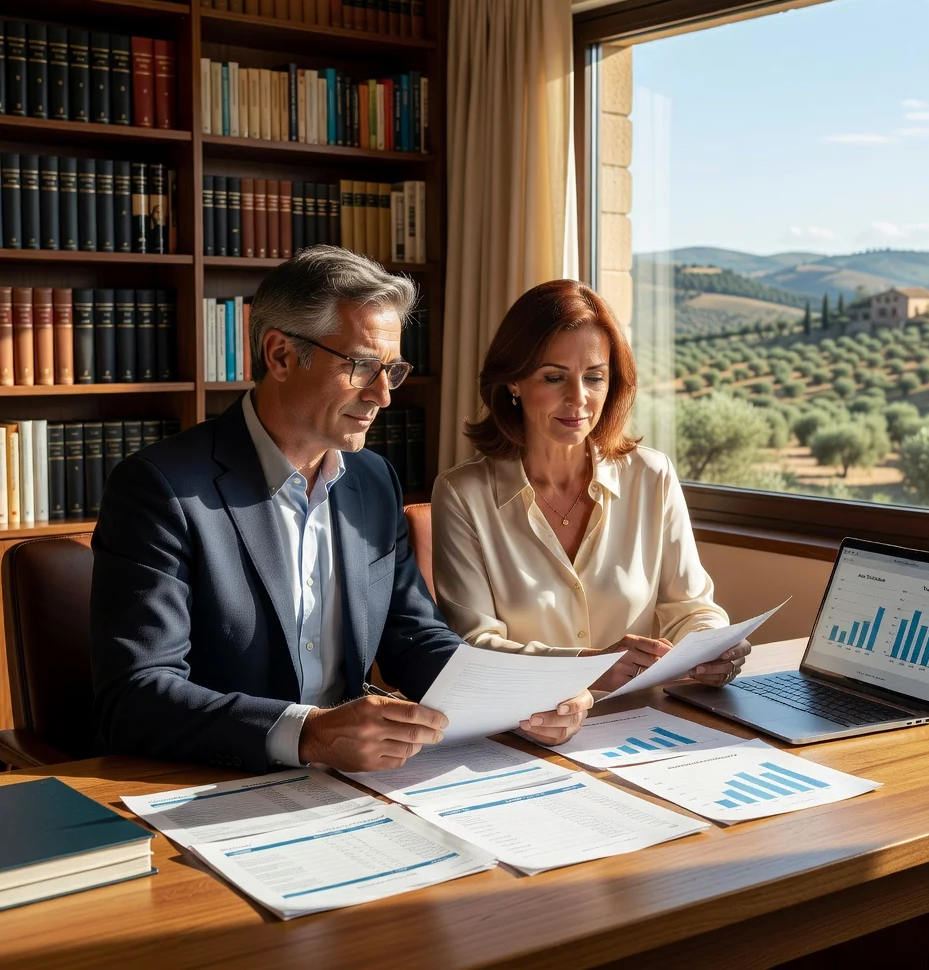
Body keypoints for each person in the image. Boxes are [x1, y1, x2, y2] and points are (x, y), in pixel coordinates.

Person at [90, 248, 591, 774]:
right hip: (209, 780)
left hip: (351, 780)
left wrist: (524, 700)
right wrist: (307, 733)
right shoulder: (161, 488)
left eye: (391, 370)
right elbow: (135, 695)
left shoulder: (373, 480)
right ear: (280, 355)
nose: (383, 395)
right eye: (362, 366)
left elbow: (415, 639)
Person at [431, 279, 749, 694]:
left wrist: (713, 646)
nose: (578, 398)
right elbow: (474, 645)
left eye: (594, 377)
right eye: (553, 377)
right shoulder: (462, 494)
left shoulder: (652, 476)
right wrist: (587, 668)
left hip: (641, 717)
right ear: (513, 383)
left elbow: (691, 607)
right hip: (527, 719)